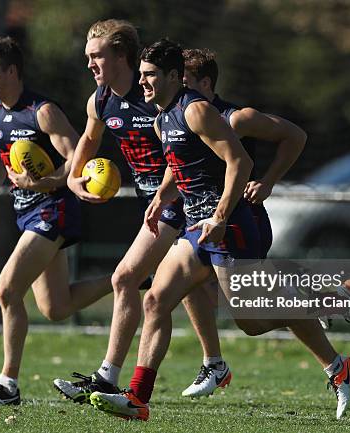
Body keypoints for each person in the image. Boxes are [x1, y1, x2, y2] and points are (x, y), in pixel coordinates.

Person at [89, 39, 350, 421]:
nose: (143, 84)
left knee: (252, 321)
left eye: (150, 76)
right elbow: (178, 162)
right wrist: (162, 198)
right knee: (154, 300)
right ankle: (137, 398)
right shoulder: (160, 116)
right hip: (195, 227)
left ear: (172, 76)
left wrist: (219, 216)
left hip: (230, 225)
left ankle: (332, 321)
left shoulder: (196, 110)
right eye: (142, 76)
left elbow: (241, 161)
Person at [53, 19, 234, 403]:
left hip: (182, 202)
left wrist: (167, 192)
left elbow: (180, 147)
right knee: (208, 296)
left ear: (121, 56)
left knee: (126, 278)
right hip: (156, 205)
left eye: (96, 55)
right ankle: (214, 361)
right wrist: (71, 179)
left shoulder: (153, 92)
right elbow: (88, 139)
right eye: (87, 56)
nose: (89, 64)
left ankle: (108, 376)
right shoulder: (100, 99)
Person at [181, 48, 350, 339]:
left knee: (252, 321)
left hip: (242, 223)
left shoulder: (235, 119)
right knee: (188, 292)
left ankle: (333, 303)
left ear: (206, 84)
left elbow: (295, 136)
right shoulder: (178, 118)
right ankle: (214, 363)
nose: (178, 91)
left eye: (184, 83)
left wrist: (268, 181)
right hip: (205, 224)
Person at [0, 36, 112, 406]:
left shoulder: (42, 111)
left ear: (12, 71)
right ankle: (131, 277)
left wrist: (45, 182)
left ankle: (7, 386)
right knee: (56, 307)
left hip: (54, 209)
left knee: (6, 290)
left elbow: (76, 157)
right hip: (26, 211)